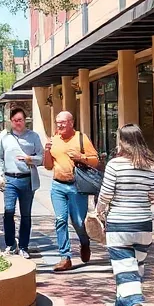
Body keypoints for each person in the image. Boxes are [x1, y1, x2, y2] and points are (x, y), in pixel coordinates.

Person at [97, 124, 154, 306]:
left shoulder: (114, 165)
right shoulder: (151, 167)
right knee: (133, 272)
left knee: (125, 272)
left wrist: (98, 212)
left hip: (119, 225)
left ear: (122, 142)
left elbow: (105, 195)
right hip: (143, 224)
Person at [44, 110, 101, 271]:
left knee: (77, 221)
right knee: (60, 219)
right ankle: (65, 257)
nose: (60, 125)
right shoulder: (54, 140)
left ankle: (84, 242)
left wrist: (80, 157)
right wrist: (47, 151)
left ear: (71, 123)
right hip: (58, 185)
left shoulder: (81, 138)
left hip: (77, 186)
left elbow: (95, 161)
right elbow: (48, 166)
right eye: (58, 122)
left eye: (63, 122)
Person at [0, 107, 43, 258]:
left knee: (26, 215)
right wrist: (0, 175)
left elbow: (41, 157)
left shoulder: (33, 136)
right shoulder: (5, 135)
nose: (18, 123)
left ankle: (23, 246)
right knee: (8, 212)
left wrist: (31, 159)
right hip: (10, 179)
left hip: (27, 179)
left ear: (25, 120)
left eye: (20, 120)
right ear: (11, 121)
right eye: (15, 120)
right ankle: (10, 244)